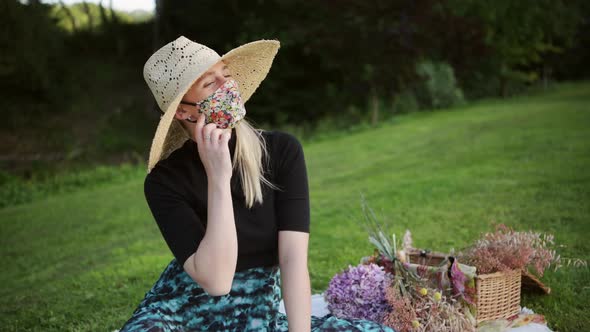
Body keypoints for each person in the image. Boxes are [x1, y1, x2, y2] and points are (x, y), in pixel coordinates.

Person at [118, 35, 396, 332]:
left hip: (257, 313)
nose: (226, 87)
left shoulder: (281, 151)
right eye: (210, 84)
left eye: (225, 75)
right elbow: (216, 281)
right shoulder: (164, 181)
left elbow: (292, 260)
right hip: (182, 312)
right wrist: (219, 178)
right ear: (183, 111)